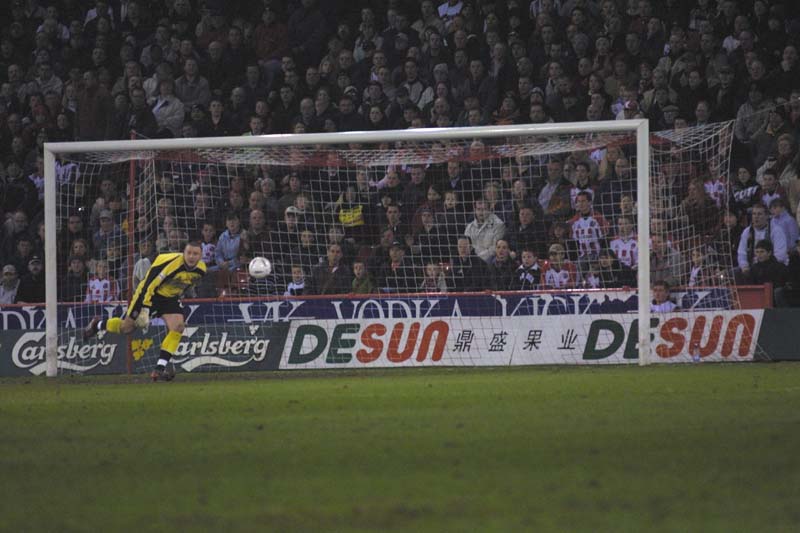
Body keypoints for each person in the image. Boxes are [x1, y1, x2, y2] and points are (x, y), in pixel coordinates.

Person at [84, 241, 207, 382]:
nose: (191, 256)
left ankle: (159, 369)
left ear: (200, 255)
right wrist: (145, 309)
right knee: (127, 327)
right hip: (148, 293)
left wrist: (178, 294)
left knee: (178, 326)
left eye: (195, 254)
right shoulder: (170, 263)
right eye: (189, 253)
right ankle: (98, 325)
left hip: (170, 297)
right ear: (183, 253)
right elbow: (150, 284)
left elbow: (190, 282)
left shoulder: (201, 269)